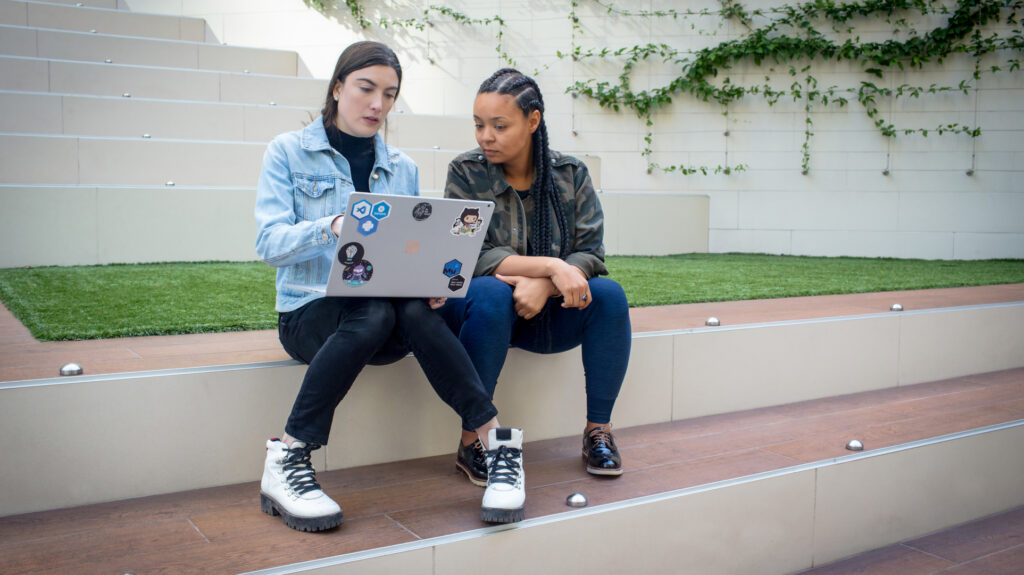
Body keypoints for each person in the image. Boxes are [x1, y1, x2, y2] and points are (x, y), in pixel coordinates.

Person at [254, 43, 525, 531]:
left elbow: (409, 248)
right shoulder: (288, 151)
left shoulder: (401, 167)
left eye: (390, 94)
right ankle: (289, 459)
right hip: (310, 314)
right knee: (376, 310)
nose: (378, 104)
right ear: (337, 88)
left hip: (384, 320)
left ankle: (496, 443)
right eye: (366, 88)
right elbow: (268, 243)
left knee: (415, 309)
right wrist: (331, 226)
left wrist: (430, 280)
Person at [440, 68, 632, 485]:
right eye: (478, 124)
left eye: (498, 125)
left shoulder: (570, 173)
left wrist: (548, 283)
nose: (485, 136)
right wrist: (549, 266)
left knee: (610, 296)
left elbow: (591, 251)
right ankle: (473, 438)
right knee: (489, 293)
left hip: (551, 311)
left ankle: (598, 430)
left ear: (533, 121)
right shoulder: (466, 172)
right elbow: (465, 254)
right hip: (488, 315)